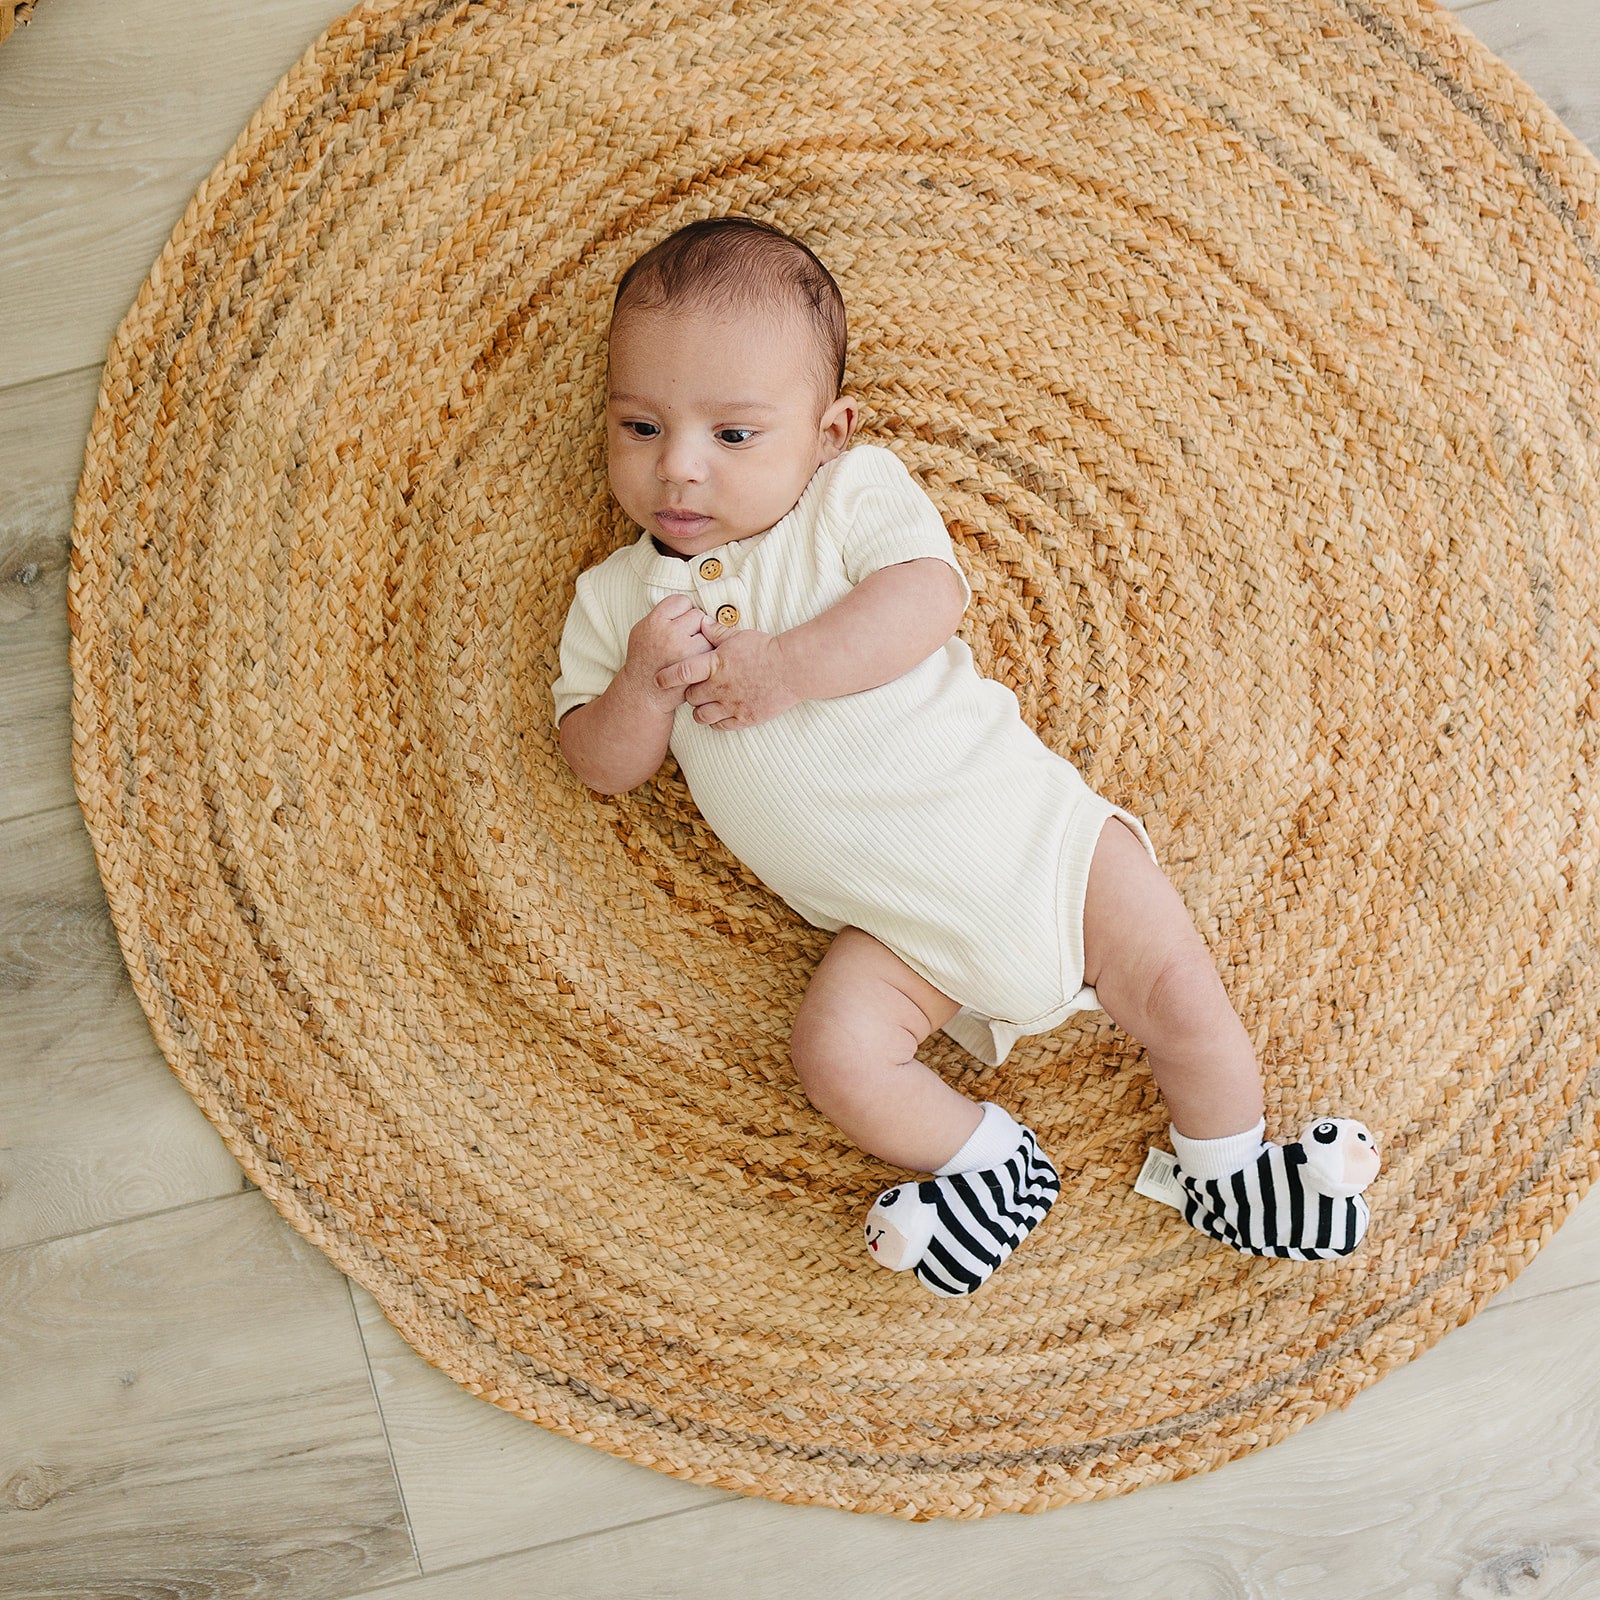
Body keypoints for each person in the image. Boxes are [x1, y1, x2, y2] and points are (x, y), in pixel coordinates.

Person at [553, 216, 1379, 1296]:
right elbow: (594, 762)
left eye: (736, 436)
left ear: (828, 431)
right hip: (897, 930)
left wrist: (790, 667)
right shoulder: (618, 603)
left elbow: (925, 598)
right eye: (642, 426)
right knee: (834, 1053)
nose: (682, 470)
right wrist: (640, 688)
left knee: (1183, 995)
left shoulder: (847, 502)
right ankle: (988, 1163)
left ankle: (1224, 1165)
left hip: (1041, 846)